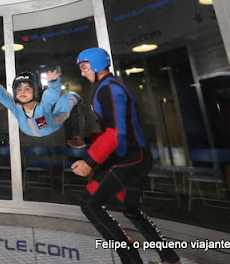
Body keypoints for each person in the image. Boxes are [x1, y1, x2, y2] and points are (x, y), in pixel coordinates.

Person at [72, 47, 180, 264]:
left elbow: (115, 133)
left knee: (89, 204)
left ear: (96, 65)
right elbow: (118, 127)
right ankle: (170, 258)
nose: (82, 73)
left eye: (84, 67)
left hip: (129, 158)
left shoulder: (108, 89)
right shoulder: (110, 86)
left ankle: (131, 260)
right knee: (130, 209)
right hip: (137, 156)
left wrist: (90, 161)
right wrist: (87, 140)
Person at [0, 70, 84, 145]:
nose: (22, 92)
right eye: (19, 89)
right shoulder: (16, 107)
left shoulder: (42, 106)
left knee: (62, 113)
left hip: (50, 126)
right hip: (28, 131)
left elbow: (52, 95)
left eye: (27, 89)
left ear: (35, 91)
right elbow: (3, 97)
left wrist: (53, 82)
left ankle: (71, 97)